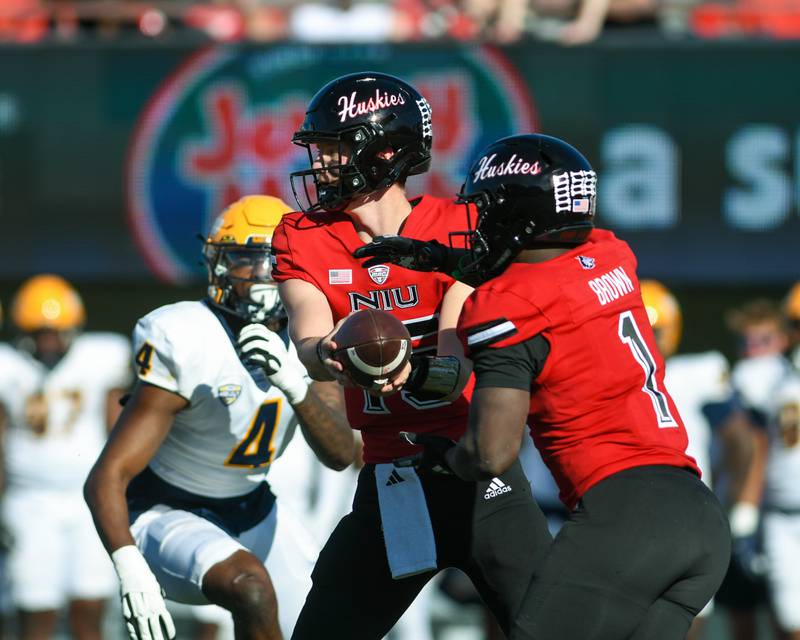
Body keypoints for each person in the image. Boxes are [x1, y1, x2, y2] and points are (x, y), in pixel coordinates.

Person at [358, 133, 731, 639]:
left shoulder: (506, 309)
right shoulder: (610, 254)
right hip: (698, 517)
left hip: (625, 512)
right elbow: (538, 276)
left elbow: (491, 452)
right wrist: (442, 261)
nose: (480, 224)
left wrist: (446, 463)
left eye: (488, 211)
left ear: (518, 215)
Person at [272, 71, 552, 640]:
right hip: (392, 477)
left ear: (383, 150)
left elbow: (454, 366)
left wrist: (412, 368)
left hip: (480, 471)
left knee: (551, 631)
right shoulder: (302, 234)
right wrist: (331, 354)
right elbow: (309, 336)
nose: (321, 165)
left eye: (333, 149)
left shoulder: (463, 226)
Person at [83, 195, 355, 640]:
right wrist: (129, 565)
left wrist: (294, 382)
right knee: (252, 589)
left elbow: (341, 454)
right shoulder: (187, 334)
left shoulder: (310, 337)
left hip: (255, 507)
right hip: (169, 510)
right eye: (241, 260)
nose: (252, 275)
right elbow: (107, 475)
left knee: (331, 611)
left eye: (267, 262)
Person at [0, 274, 130, 640]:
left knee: (89, 605)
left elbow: (116, 426)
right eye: (40, 333)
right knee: (34, 605)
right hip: (29, 500)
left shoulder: (100, 356)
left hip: (86, 497)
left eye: (56, 332)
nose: (49, 342)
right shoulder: (8, 365)